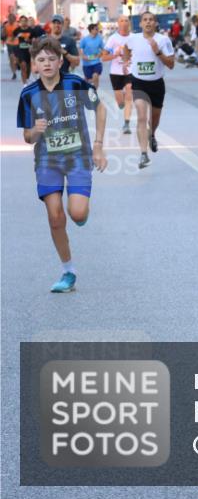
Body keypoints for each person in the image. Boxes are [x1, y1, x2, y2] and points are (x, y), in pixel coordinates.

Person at [17, 37, 108, 293]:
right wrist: (35, 131)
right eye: (41, 60)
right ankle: (68, 272)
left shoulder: (75, 84)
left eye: (51, 58)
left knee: (77, 214)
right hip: (47, 161)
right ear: (34, 65)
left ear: (60, 61)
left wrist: (98, 145)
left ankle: (81, 212)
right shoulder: (28, 94)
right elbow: (27, 137)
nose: (46, 63)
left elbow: (100, 109)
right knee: (55, 218)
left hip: (78, 157)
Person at [123, 11, 175, 169]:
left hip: (157, 83)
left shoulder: (163, 40)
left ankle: (151, 134)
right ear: (140, 24)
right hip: (138, 82)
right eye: (145, 20)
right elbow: (126, 48)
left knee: (154, 119)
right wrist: (126, 61)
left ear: (156, 23)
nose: (148, 22)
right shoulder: (133, 39)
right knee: (141, 117)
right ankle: (143, 154)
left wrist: (157, 52)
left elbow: (171, 64)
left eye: (151, 20)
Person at [104, 15, 134, 134]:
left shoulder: (134, 38)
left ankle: (126, 124)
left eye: (126, 21)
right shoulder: (113, 38)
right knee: (120, 102)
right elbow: (104, 57)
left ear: (129, 23)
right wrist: (115, 55)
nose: (124, 23)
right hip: (116, 72)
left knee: (129, 91)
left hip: (130, 70)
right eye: (121, 21)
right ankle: (121, 101)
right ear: (118, 23)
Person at [10, 15, 39, 83]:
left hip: (29, 50)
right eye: (22, 21)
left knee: (28, 68)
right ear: (20, 22)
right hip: (20, 50)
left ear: (27, 22)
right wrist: (16, 40)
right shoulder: (17, 30)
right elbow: (12, 39)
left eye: (25, 21)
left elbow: (36, 40)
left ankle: (27, 78)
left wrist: (30, 40)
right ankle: (24, 85)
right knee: (23, 66)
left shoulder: (31, 30)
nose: (23, 22)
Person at [78, 23, 105, 90]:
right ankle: (86, 85)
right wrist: (83, 56)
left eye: (98, 29)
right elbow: (80, 48)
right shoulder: (85, 39)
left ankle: (95, 91)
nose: (98, 30)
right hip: (87, 63)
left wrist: (100, 54)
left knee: (95, 76)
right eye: (96, 29)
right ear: (91, 30)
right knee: (88, 80)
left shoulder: (99, 39)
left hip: (96, 62)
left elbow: (103, 49)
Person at [4, 11, 19, 80]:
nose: (10, 19)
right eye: (9, 18)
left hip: (16, 43)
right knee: (11, 58)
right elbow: (4, 34)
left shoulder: (17, 25)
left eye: (12, 18)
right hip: (9, 42)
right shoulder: (6, 25)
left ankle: (16, 64)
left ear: (14, 19)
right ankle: (14, 73)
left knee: (16, 58)